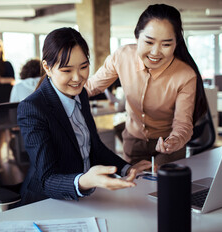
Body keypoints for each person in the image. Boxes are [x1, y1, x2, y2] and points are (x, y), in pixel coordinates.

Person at [17, 27, 152, 206]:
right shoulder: (32, 109)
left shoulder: (80, 94)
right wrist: (85, 181)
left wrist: (127, 168)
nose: (78, 78)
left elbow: (95, 147)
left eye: (84, 67)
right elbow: (46, 180)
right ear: (47, 68)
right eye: (66, 70)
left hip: (85, 199)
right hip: (47, 202)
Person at [85, 4, 208, 166]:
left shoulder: (185, 75)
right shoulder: (122, 56)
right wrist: (54, 94)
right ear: (137, 37)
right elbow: (91, 87)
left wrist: (174, 141)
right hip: (133, 139)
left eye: (166, 44)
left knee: (167, 187)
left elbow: (182, 123)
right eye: (149, 42)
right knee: (134, 187)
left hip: (168, 141)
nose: (156, 52)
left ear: (176, 43)